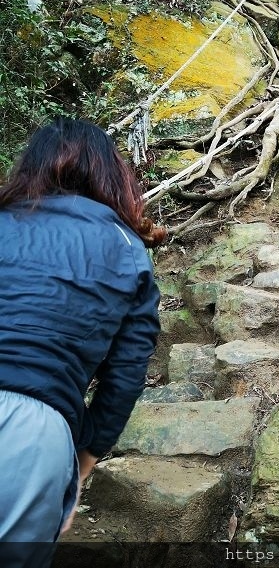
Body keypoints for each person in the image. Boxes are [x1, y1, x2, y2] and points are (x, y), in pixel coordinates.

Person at [0, 117, 165, 565]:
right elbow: (126, 373)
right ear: (111, 174)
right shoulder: (126, 248)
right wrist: (84, 460)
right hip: (34, 433)